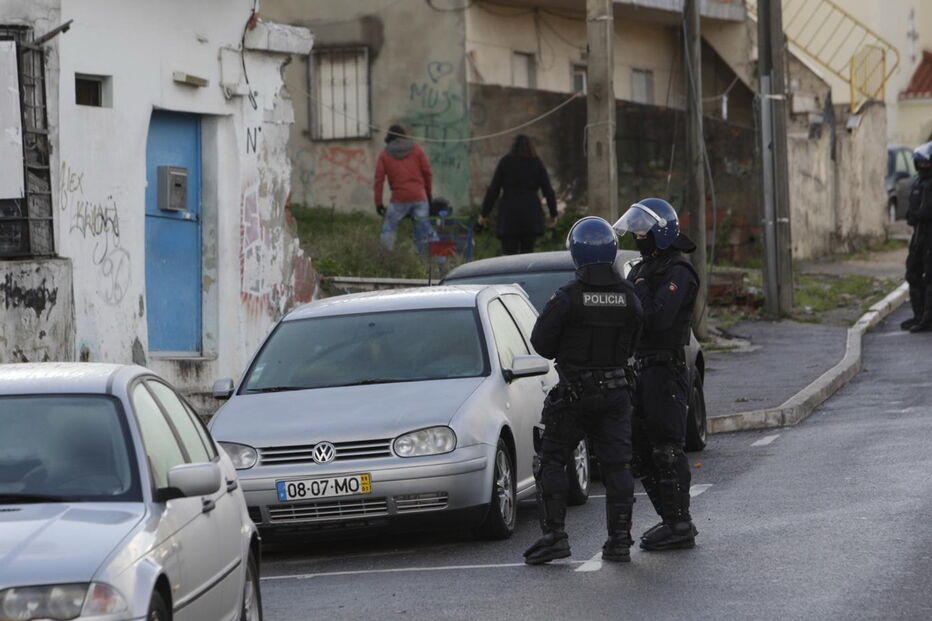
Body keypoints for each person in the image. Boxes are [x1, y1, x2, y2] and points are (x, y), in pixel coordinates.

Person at [523, 216, 643, 565]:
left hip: (575, 393)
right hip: (617, 392)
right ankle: (620, 541)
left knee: (551, 460)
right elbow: (636, 337)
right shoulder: (629, 296)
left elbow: (541, 344)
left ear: (576, 253)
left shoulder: (567, 297)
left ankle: (555, 537)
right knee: (618, 466)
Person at [614, 198, 700, 552]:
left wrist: (643, 283)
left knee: (667, 449)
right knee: (638, 449)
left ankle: (680, 522)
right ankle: (668, 518)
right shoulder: (641, 271)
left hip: (666, 370)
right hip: (640, 369)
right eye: (634, 230)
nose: (637, 236)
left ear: (660, 233)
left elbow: (658, 318)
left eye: (642, 230)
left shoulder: (679, 272)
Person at [479, 134, 558, 255]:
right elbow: (548, 191)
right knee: (528, 254)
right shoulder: (536, 163)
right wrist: (553, 214)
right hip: (531, 213)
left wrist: (484, 214)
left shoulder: (505, 163)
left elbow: (493, 190)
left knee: (509, 257)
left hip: (509, 215)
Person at [374, 125, 436, 252]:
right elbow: (427, 173)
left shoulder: (385, 154)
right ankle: (437, 261)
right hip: (419, 196)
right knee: (424, 229)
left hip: (399, 199)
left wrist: (379, 204)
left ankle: (385, 260)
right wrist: (428, 194)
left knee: (389, 229)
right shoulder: (417, 150)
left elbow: (378, 180)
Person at [902, 141, 932, 332]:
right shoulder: (918, 183)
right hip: (919, 235)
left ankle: (927, 319)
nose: (923, 166)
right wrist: (912, 216)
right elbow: (913, 210)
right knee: (912, 272)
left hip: (930, 235)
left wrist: (921, 214)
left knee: (930, 276)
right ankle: (918, 314)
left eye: (926, 163)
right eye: (920, 163)